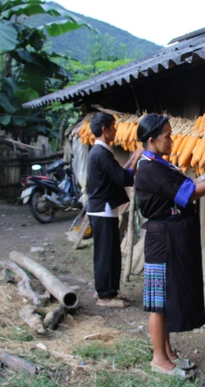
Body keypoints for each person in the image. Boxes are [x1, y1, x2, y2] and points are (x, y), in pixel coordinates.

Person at [134, 113, 205, 378]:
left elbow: (183, 185)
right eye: (167, 136)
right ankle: (158, 358)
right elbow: (188, 193)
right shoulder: (150, 168)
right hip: (161, 239)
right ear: (151, 140)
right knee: (158, 302)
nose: (172, 140)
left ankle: (167, 351)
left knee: (166, 298)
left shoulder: (158, 163)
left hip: (167, 236)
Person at [86, 112, 142, 308]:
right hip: (102, 210)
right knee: (107, 254)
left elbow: (117, 173)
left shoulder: (99, 152)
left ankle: (104, 289)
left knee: (105, 252)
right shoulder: (101, 153)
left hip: (99, 209)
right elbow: (124, 178)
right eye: (113, 126)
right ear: (104, 130)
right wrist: (136, 159)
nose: (116, 131)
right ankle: (105, 296)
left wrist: (131, 161)